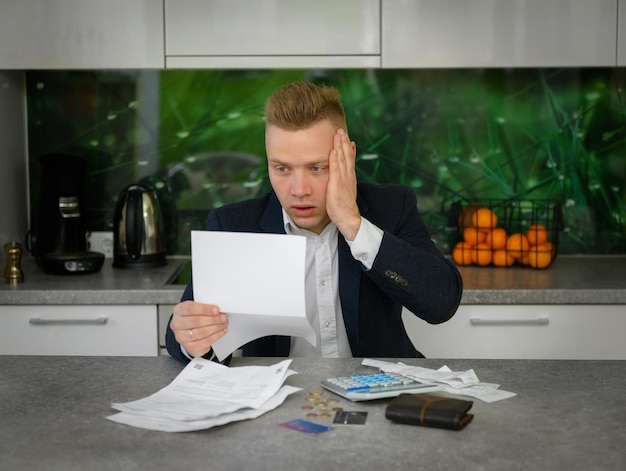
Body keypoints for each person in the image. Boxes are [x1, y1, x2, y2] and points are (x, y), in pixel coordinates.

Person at [166, 81, 463, 363]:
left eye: (317, 168)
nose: (299, 190)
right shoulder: (233, 224)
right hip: (277, 401)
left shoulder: (391, 207)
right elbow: (187, 337)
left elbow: (442, 303)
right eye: (282, 168)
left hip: (379, 397)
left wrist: (353, 223)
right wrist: (193, 339)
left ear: (348, 156)